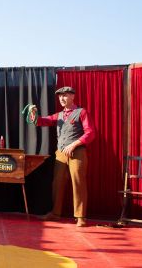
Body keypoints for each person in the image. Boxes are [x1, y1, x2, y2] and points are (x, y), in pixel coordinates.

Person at [30, 86, 96, 227]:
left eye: (65, 95)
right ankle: (55, 213)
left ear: (73, 96)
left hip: (76, 152)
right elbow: (42, 121)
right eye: (60, 96)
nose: (62, 98)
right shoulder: (59, 115)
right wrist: (34, 115)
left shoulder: (81, 112)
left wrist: (74, 145)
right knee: (57, 182)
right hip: (60, 153)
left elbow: (90, 133)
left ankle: (80, 216)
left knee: (78, 182)